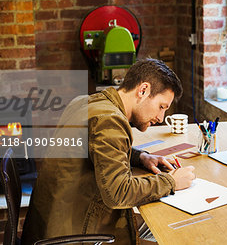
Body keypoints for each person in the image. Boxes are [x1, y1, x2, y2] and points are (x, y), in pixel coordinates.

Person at [22, 58, 196, 244]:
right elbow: (118, 193)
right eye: (161, 107)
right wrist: (171, 182)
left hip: (49, 227)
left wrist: (141, 157)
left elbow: (99, 148)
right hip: (73, 236)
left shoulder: (86, 103)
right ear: (143, 90)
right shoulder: (109, 119)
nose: (161, 118)